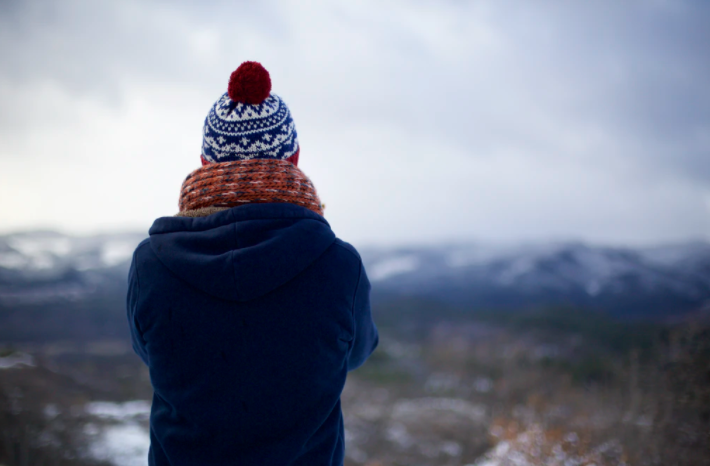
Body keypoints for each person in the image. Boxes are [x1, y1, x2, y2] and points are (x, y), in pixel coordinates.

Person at [126, 61, 379, 466]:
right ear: (294, 158)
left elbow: (151, 351)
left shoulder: (150, 265)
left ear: (205, 161)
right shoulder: (339, 265)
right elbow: (356, 353)